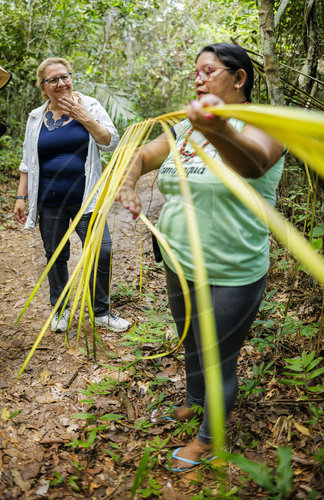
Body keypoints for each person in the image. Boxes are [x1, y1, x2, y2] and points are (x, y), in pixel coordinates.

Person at [118, 43, 285, 471]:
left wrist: (214, 127)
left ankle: (210, 440)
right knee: (191, 346)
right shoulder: (184, 129)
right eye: (195, 72)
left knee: (218, 360)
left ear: (239, 77)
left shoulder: (266, 124)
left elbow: (254, 164)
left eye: (207, 71)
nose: (197, 79)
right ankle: (194, 405)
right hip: (179, 261)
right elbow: (142, 155)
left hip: (232, 270)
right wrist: (130, 183)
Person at [14, 57, 131, 334]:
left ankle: (101, 311)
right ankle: (61, 308)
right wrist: (21, 197)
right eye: (53, 80)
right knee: (55, 255)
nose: (60, 83)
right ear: (44, 88)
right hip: (49, 200)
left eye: (64, 77)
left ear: (71, 78)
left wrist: (84, 118)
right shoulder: (35, 118)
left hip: (86, 198)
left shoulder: (90, 106)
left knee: (101, 252)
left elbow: (110, 141)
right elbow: (27, 161)